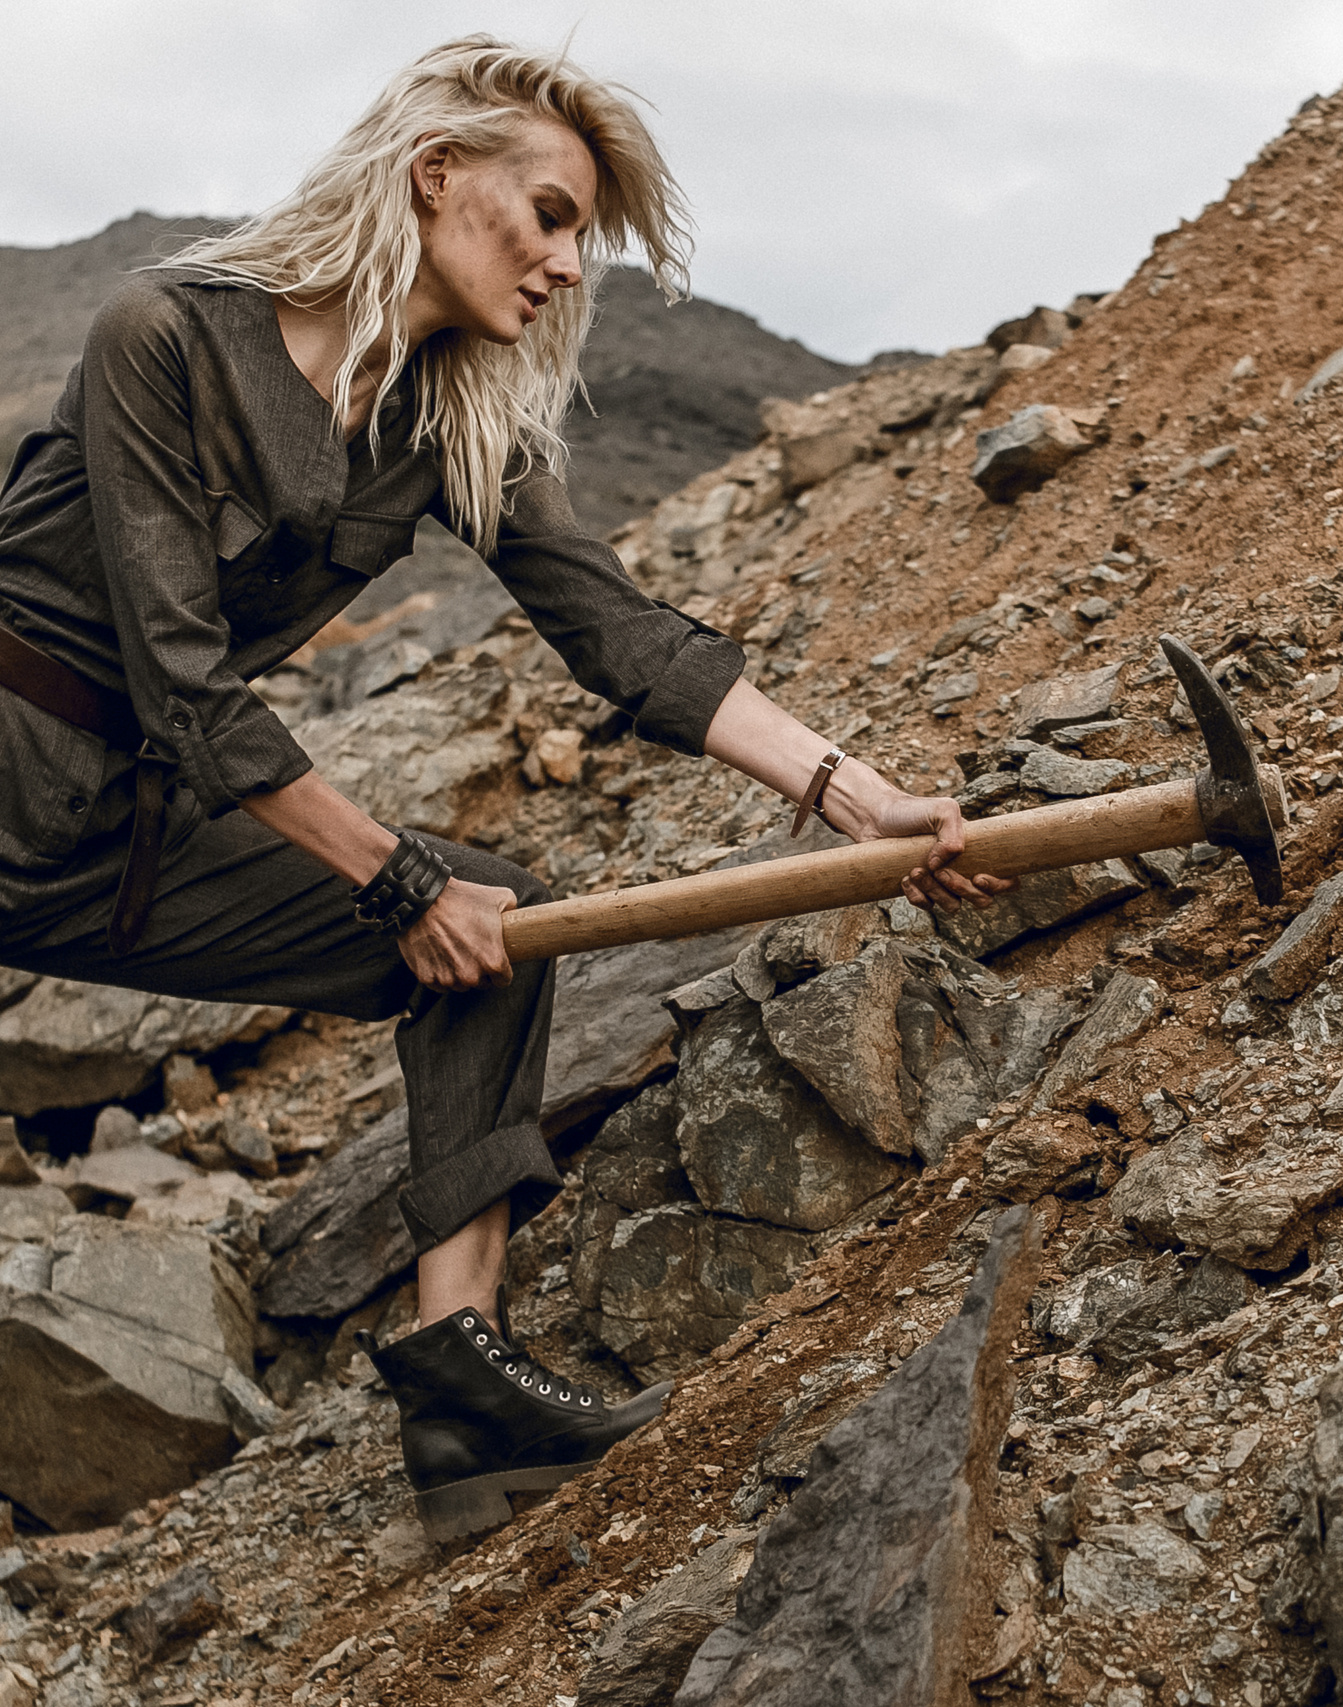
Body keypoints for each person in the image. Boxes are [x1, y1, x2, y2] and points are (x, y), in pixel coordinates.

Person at [0, 36, 1007, 1542]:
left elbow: (622, 637)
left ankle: (461, 1386)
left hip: (129, 835)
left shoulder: (447, 423)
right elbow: (186, 683)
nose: (565, 265)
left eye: (580, 240)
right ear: (435, 174)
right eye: (548, 216)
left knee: (502, 933)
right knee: (443, 909)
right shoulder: (168, 335)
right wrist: (402, 880)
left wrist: (862, 802)